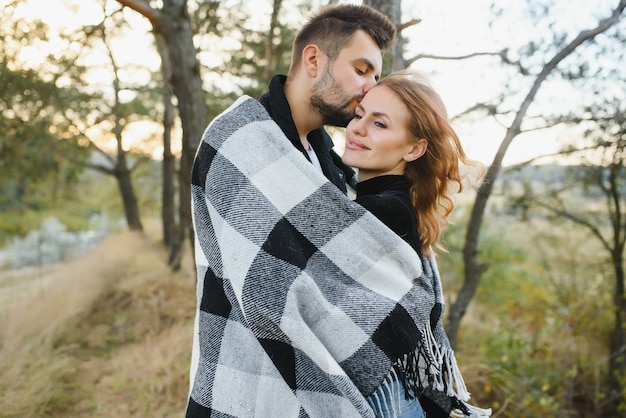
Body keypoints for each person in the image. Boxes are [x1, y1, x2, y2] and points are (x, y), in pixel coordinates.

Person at [187, 4, 400, 417]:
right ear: (314, 58)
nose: (369, 88)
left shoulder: (329, 160)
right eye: (361, 70)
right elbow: (270, 290)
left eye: (376, 76)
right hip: (246, 380)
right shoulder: (241, 137)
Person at [342, 71, 489, 417]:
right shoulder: (385, 198)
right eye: (359, 114)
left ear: (414, 148)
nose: (358, 128)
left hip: (385, 402)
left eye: (379, 124)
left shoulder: (384, 210)